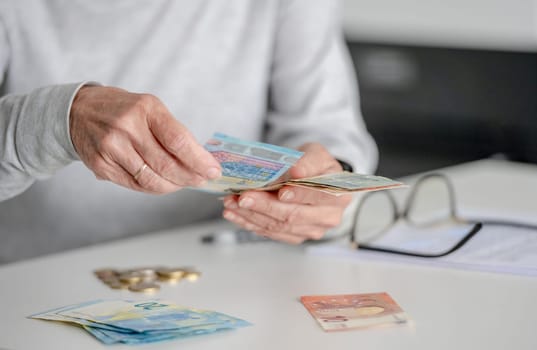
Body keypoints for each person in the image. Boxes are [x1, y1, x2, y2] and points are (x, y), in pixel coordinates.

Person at [0, 0, 377, 263]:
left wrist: (327, 186)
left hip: (230, 267)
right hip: (32, 278)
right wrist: (56, 121)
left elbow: (326, 127)